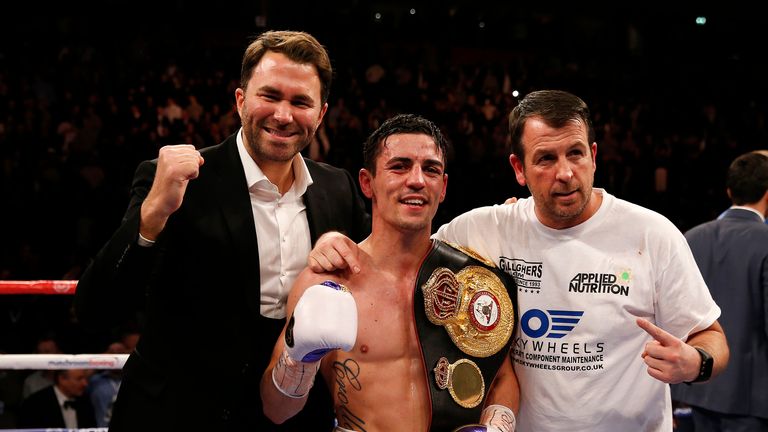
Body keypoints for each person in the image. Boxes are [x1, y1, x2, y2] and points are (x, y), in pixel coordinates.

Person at [309, 90, 730, 431]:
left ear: (595, 155)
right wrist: (335, 242)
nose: (565, 173)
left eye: (576, 154)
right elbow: (399, 248)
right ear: (519, 168)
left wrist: (696, 363)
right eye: (546, 159)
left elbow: (711, 336)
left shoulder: (652, 234)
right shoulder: (482, 230)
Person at [74, 30, 370, 431]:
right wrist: (152, 216)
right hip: (177, 415)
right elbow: (96, 310)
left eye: (300, 102)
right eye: (270, 96)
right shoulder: (180, 180)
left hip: (291, 418)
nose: (284, 115)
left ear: (320, 114)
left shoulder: (338, 189)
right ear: (241, 100)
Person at [261, 114, 519, 431]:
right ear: (368, 183)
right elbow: (276, 409)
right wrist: (297, 358)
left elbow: (502, 378)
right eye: (399, 166)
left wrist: (497, 427)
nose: (417, 180)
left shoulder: (470, 279)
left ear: (444, 187)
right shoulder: (328, 280)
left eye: (431, 169)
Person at [670, 151, 768, 431]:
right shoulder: (765, 241)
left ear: (729, 191)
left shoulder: (691, 237)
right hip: (750, 401)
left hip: (693, 392)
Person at [19, 369, 96, 429]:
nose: (85, 383)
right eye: (79, 379)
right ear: (62, 379)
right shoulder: (35, 404)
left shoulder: (85, 401)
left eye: (85, 379)